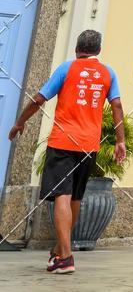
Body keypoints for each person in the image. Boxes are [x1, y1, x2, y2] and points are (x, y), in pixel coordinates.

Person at [8, 30, 125, 275]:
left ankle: (66, 257)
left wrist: (20, 122)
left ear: (77, 49)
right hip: (89, 145)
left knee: (62, 194)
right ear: (98, 51)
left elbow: (39, 99)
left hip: (63, 142)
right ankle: (60, 250)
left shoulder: (66, 69)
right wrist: (119, 141)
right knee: (75, 198)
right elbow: (116, 105)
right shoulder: (108, 73)